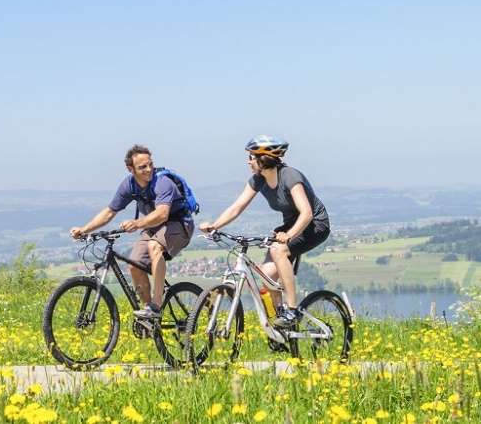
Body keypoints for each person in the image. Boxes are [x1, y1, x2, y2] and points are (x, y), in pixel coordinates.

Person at [198, 135, 330, 327]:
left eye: (252, 156)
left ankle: (292, 310)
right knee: (266, 275)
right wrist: (215, 225)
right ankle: (280, 320)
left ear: (263, 158)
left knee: (279, 250)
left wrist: (289, 235)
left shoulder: (290, 176)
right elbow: (237, 207)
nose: (248, 161)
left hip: (315, 225)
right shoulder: (258, 180)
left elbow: (307, 213)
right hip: (290, 227)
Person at [70, 144, 195, 319]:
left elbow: (162, 214)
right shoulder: (129, 185)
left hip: (179, 223)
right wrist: (84, 229)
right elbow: (108, 213)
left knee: (154, 246)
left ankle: (156, 304)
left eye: (150, 164)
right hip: (153, 225)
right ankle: (147, 315)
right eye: (142, 167)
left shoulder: (162, 182)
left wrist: (137, 223)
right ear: (131, 169)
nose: (149, 169)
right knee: (135, 264)